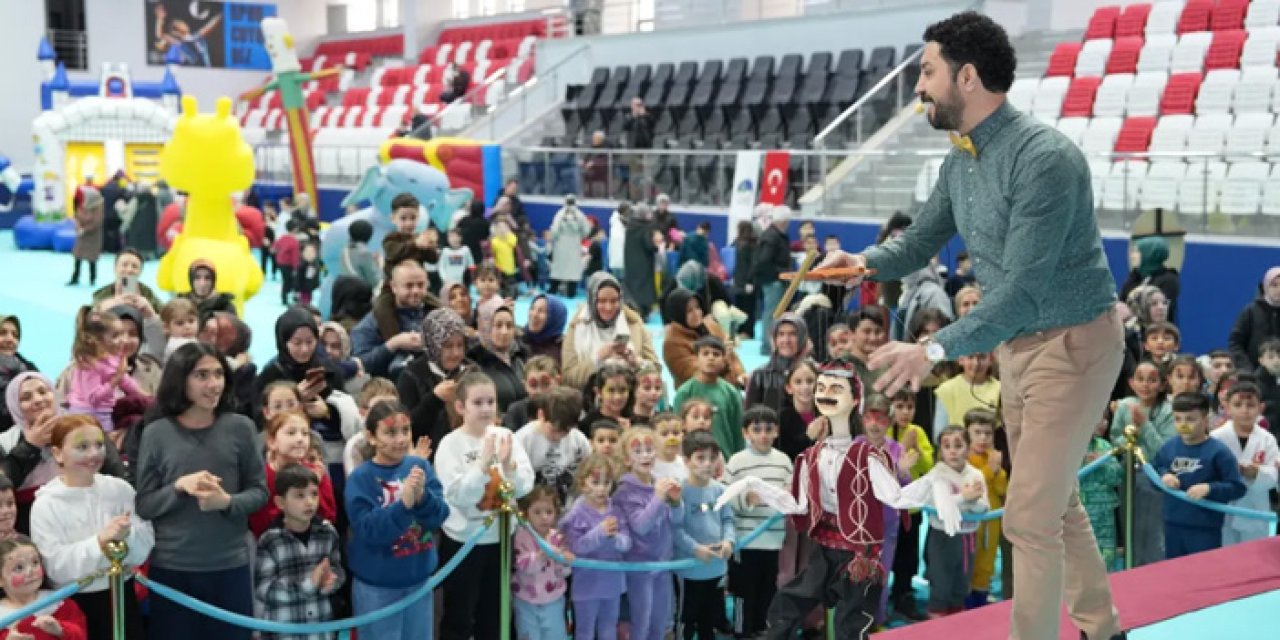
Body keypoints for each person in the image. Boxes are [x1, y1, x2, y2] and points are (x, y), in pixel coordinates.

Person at [817, 12, 1128, 639]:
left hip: (1074, 346)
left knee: (1029, 517)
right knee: (1055, 502)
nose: (917, 87)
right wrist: (863, 263)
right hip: (1017, 346)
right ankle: (1103, 628)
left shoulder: (1045, 159)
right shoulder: (958, 162)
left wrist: (932, 348)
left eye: (926, 72)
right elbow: (917, 241)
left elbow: (1020, 293)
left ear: (966, 76)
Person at [134, 342, 268, 640]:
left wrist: (227, 502)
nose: (213, 384)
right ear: (180, 380)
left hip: (229, 567)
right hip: (172, 570)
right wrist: (179, 487)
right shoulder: (156, 433)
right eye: (202, 375)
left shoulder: (241, 428)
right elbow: (145, 504)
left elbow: (259, 492)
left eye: (219, 374)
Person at [30, 414, 153, 640]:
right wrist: (99, 542)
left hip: (123, 594)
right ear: (58, 453)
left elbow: (145, 542)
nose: (94, 454)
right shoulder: (46, 504)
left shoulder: (120, 489)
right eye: (82, 447)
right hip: (77, 604)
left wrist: (128, 536)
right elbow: (55, 566)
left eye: (99, 444)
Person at [434, 372, 534, 640]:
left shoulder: (506, 436)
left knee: (495, 612)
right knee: (460, 613)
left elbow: (525, 486)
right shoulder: (450, 444)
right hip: (464, 541)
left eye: (491, 401)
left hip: (500, 538)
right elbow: (457, 495)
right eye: (477, 403)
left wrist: (509, 466)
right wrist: (482, 465)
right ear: (460, 407)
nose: (486, 408)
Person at [345, 401, 447, 640]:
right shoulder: (361, 478)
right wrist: (403, 506)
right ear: (371, 437)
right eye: (390, 433)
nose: (400, 439)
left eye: (405, 430)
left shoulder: (420, 466)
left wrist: (422, 499)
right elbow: (368, 530)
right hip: (377, 586)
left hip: (418, 582)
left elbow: (439, 516)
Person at [255, 463, 345, 640]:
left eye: (314, 494)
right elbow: (264, 591)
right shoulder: (270, 540)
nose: (309, 501)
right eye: (299, 495)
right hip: (284, 632)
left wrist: (332, 581)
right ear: (280, 502)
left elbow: (338, 569)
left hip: (321, 631)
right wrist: (309, 585)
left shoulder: (328, 533)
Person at [724, 406, 791, 639]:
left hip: (772, 540)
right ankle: (742, 631)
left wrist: (789, 496)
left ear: (776, 431)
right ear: (746, 433)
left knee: (767, 588)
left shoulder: (783, 462)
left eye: (768, 429)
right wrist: (746, 499)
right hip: (746, 540)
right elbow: (726, 496)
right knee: (744, 590)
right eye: (757, 429)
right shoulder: (737, 462)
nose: (763, 434)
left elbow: (791, 494)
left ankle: (762, 630)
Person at [1155, 392, 1246, 559]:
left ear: (1205, 419)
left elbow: (1238, 487)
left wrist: (1209, 488)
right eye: (1178, 419)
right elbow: (1154, 470)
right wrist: (1164, 476)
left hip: (1205, 528)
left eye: (1190, 419)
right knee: (1174, 570)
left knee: (1203, 572)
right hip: (1172, 525)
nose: (1183, 425)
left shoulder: (1219, 452)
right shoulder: (1168, 447)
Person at [612, 426, 681, 640]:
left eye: (649, 449)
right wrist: (658, 498)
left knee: (660, 622)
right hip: (639, 568)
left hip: (662, 564)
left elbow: (676, 521)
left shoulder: (659, 482)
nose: (645, 455)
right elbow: (641, 526)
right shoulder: (624, 492)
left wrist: (676, 502)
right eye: (638, 451)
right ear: (627, 459)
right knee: (641, 622)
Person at [560, 454, 632, 639]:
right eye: (595, 482)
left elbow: (627, 543)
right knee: (585, 631)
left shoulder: (616, 509)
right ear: (583, 484)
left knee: (608, 628)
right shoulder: (576, 514)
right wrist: (599, 533)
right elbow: (576, 547)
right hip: (586, 585)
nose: (601, 489)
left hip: (612, 583)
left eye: (606, 483)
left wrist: (614, 539)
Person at [674, 430, 734, 640]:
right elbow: (675, 529)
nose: (707, 464)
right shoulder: (679, 492)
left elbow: (728, 520)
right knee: (686, 620)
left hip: (716, 569)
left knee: (710, 621)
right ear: (686, 460)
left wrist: (728, 541)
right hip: (689, 572)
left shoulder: (720, 490)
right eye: (700, 458)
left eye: (712, 458)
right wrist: (695, 549)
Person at [1209, 381, 1279, 546]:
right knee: (1224, 555)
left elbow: (1275, 472)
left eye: (1250, 405)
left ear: (1260, 408)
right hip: (1224, 508)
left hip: (1255, 508)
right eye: (1238, 405)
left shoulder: (1267, 439)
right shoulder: (1216, 437)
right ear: (1227, 407)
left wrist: (1256, 473)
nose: (1244, 410)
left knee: (1255, 555)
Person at [561, 272, 659, 390]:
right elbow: (569, 378)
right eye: (602, 301)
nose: (608, 307)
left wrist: (636, 362)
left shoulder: (634, 323)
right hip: (589, 396)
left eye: (614, 301)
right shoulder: (577, 327)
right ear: (592, 300)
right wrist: (598, 358)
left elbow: (656, 368)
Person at [397, 309, 475, 455]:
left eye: (460, 345)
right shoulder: (411, 376)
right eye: (448, 346)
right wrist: (434, 399)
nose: (456, 353)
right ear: (433, 345)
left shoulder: (473, 371)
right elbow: (405, 429)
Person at [352, 260, 439, 380]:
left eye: (420, 285)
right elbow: (360, 363)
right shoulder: (372, 322)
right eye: (409, 286)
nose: (415, 291)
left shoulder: (437, 314)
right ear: (394, 287)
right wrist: (393, 344)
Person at [512, 485, 573, 640]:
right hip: (526, 601)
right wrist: (541, 555)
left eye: (549, 512)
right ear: (526, 514)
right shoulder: (520, 537)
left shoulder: (558, 538)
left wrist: (565, 561)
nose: (544, 517)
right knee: (528, 636)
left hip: (553, 600)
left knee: (555, 635)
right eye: (537, 512)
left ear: (556, 513)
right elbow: (521, 565)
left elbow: (563, 573)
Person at [0, 538, 88, 639]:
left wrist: (60, 630)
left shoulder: (59, 603)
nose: (30, 571)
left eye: (35, 562)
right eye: (19, 568)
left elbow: (81, 635)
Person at [673, 336, 743, 457]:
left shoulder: (732, 393)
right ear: (696, 359)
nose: (711, 358)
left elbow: (738, 432)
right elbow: (677, 429)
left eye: (716, 354)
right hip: (693, 458)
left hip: (726, 458)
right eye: (705, 353)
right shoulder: (685, 392)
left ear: (724, 360)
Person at [662, 288, 745, 389]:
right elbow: (698, 374)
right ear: (678, 314)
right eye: (689, 311)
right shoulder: (673, 343)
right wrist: (724, 358)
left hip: (728, 389)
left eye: (697, 307)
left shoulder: (710, 325)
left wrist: (741, 376)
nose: (696, 313)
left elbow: (733, 358)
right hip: (698, 394)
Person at [751, 205, 793, 356]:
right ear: (784, 221)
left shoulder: (772, 235)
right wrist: (779, 273)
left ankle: (770, 344)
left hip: (774, 280)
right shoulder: (772, 237)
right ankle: (768, 345)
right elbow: (764, 261)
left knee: (773, 313)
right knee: (772, 313)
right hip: (773, 281)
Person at [1228, 267, 1280, 371]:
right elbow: (1235, 344)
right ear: (1265, 287)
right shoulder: (1251, 311)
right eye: (1274, 285)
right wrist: (1248, 370)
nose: (1279, 289)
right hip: (1254, 373)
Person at [1120, 236, 1180, 323]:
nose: (1132, 256)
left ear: (1149, 254)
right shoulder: (1134, 277)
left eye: (1136, 252)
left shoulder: (1169, 280)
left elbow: (1157, 308)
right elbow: (1121, 302)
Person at [91, 249, 165, 312]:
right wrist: (112, 303)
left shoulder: (147, 293)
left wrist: (146, 308)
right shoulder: (102, 294)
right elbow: (92, 316)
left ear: (140, 271)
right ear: (115, 268)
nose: (129, 270)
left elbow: (164, 313)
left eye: (134, 266)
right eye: (124, 265)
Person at [549, 195, 591, 296]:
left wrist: (556, 237)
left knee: (558, 268)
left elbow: (554, 231)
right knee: (573, 270)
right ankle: (571, 292)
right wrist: (578, 236)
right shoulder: (580, 215)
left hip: (561, 244)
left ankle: (553, 290)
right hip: (575, 244)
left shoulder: (560, 214)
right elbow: (586, 231)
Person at [68, 187, 105, 287]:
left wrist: (84, 229)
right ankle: (75, 277)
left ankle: (92, 279)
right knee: (78, 257)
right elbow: (77, 216)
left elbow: (97, 222)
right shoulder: (82, 205)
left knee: (92, 259)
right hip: (81, 236)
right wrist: (78, 226)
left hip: (93, 236)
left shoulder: (98, 207)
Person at [731, 221, 759, 340]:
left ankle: (748, 331)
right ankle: (741, 329)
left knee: (748, 307)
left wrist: (750, 281)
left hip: (747, 280)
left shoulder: (752, 244)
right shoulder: (738, 242)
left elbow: (753, 264)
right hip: (739, 279)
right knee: (740, 306)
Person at [521, 295, 567, 365]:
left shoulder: (561, 354)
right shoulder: (518, 337)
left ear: (554, 319)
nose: (534, 314)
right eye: (532, 308)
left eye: (541, 311)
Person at [339, 219, 381, 290]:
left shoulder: (344, 251)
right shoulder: (365, 253)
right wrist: (379, 265)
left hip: (346, 291)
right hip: (361, 293)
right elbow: (375, 281)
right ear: (369, 235)